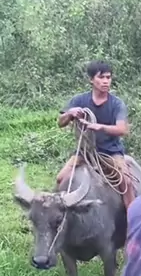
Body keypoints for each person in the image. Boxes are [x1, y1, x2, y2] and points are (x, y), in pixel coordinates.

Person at [57, 59, 135, 210]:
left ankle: (133, 216)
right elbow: (60, 122)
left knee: (126, 182)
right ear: (91, 79)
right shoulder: (79, 100)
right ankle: (60, 214)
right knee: (61, 179)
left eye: (108, 77)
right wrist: (70, 113)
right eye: (101, 77)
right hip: (84, 152)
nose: (106, 81)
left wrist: (100, 127)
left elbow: (123, 130)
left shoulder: (116, 104)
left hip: (111, 152)